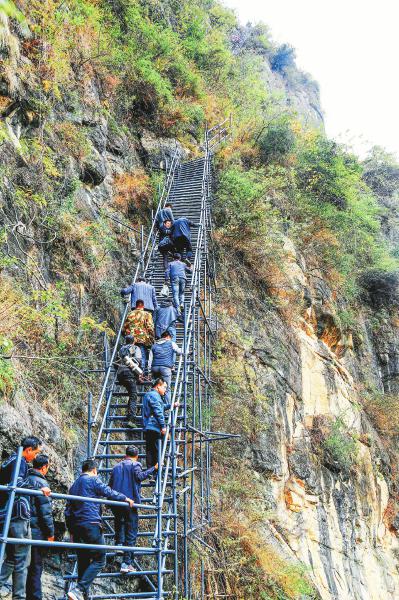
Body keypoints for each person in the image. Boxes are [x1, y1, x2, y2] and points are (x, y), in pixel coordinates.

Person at [65, 459, 134, 600]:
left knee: (83, 559)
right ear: (94, 470)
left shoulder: (74, 486)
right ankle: (79, 590)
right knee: (100, 559)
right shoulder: (93, 480)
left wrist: (71, 530)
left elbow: (68, 511)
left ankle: (82, 594)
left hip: (77, 527)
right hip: (91, 524)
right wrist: (125, 498)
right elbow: (108, 491)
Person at [0, 436, 50, 600]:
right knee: (22, 559)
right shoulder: (20, 462)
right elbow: (18, 484)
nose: (35, 457)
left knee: (11, 558)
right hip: (17, 515)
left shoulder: (8, 461)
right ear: (28, 450)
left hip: (6, 514)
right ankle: (19, 597)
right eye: (35, 452)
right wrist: (38, 487)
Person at [109, 446, 157, 573]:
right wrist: (154, 468)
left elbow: (110, 485)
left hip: (115, 501)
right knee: (131, 532)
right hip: (129, 503)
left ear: (125, 455)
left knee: (119, 521)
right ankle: (126, 563)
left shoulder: (116, 467)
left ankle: (119, 544)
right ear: (136, 456)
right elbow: (140, 476)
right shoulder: (136, 465)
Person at [25, 455, 54, 600]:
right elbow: (45, 512)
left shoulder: (25, 478)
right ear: (43, 467)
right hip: (36, 532)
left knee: (21, 566)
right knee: (36, 567)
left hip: (23, 528)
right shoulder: (41, 483)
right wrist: (50, 534)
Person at [142, 378, 178, 469]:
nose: (165, 390)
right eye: (164, 387)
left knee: (150, 450)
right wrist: (163, 426)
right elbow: (158, 411)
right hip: (154, 426)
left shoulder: (149, 395)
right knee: (158, 450)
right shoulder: (155, 396)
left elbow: (160, 407)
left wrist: (171, 405)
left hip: (147, 426)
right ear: (158, 386)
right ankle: (156, 473)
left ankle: (151, 473)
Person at [114, 335, 143, 426]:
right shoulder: (135, 348)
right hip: (129, 374)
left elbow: (116, 363)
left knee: (131, 392)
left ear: (125, 341)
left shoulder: (121, 349)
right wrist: (139, 374)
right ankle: (131, 420)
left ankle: (128, 416)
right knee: (133, 395)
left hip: (120, 374)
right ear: (133, 341)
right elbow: (138, 361)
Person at [149, 331, 184, 403]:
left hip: (154, 368)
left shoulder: (154, 345)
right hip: (165, 368)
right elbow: (179, 351)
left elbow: (150, 360)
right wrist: (187, 352)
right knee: (167, 388)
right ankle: (167, 410)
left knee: (156, 388)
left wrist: (149, 370)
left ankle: (155, 406)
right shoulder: (171, 343)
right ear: (168, 337)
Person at [122, 300, 154, 374]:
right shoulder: (147, 314)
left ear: (136, 306)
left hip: (131, 338)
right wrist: (152, 337)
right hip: (142, 338)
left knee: (131, 354)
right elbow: (150, 327)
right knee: (142, 354)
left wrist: (125, 334)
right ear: (143, 306)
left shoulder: (130, 314)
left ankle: (131, 370)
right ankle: (141, 371)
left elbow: (125, 326)